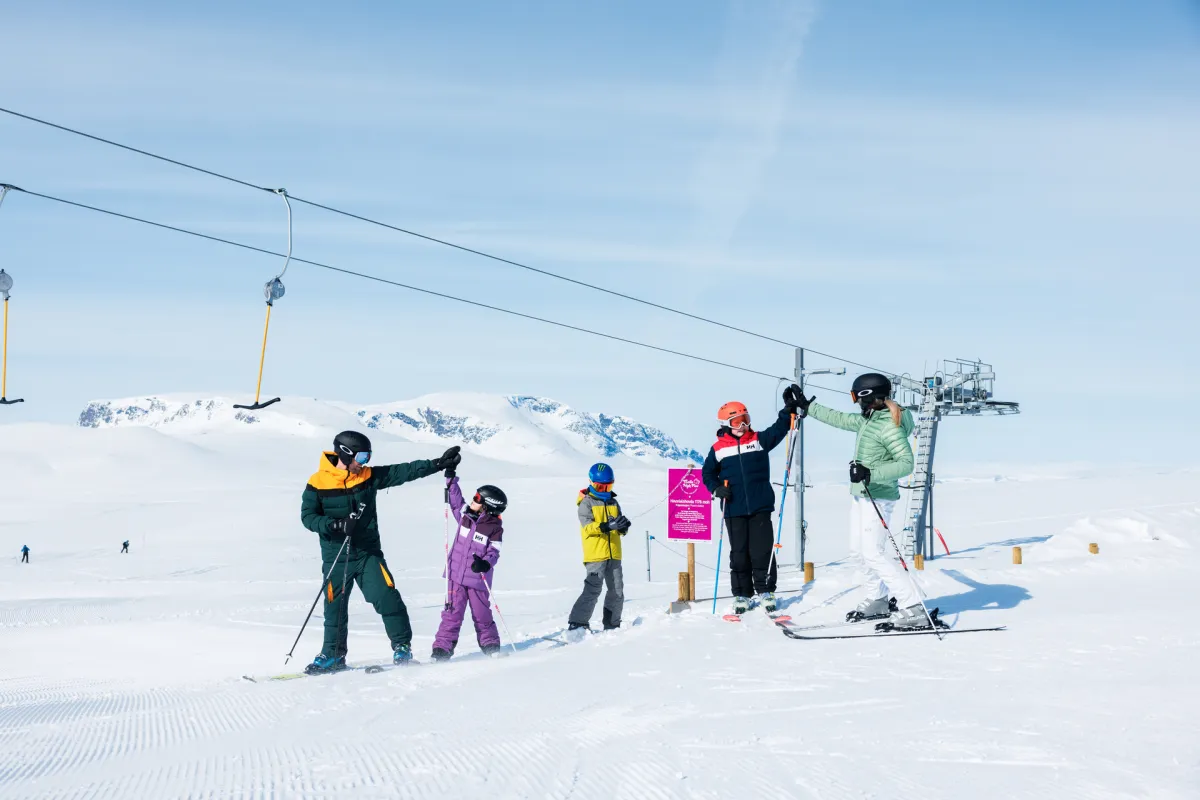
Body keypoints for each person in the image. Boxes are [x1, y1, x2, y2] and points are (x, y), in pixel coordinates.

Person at [300, 430, 462, 674]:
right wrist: (335, 525)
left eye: (368, 457)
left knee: (388, 598)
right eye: (362, 457)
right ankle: (332, 656)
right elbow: (308, 517)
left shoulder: (367, 476)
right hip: (336, 557)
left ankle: (402, 648)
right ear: (345, 453)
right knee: (335, 609)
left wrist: (438, 464)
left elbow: (403, 471)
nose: (365, 462)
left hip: (367, 554)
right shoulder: (318, 482)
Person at [791, 374, 928, 629]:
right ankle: (878, 599)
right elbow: (841, 420)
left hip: (878, 495)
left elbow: (906, 463)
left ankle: (913, 606)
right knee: (859, 552)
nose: (854, 402)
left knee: (874, 553)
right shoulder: (870, 419)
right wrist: (808, 407)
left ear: (868, 397)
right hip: (862, 494)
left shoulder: (889, 425)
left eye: (855, 397)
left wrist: (870, 473)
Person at [702, 387, 801, 614]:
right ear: (727, 424)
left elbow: (779, 429)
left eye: (745, 420)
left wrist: (787, 411)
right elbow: (707, 473)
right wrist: (717, 488)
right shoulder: (718, 449)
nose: (743, 426)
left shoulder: (758, 440)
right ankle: (742, 594)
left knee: (762, 550)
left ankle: (766, 590)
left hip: (760, 506)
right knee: (739, 553)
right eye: (738, 422)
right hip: (733, 507)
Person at [431, 464, 507, 661]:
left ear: (487, 506)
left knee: (482, 615)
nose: (473, 501)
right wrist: (451, 479)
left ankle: (490, 645)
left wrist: (485, 564)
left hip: (477, 580)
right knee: (451, 614)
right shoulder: (465, 517)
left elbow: (494, 552)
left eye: (477, 499)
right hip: (455, 577)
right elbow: (456, 502)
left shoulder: (494, 528)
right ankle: (442, 649)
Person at [567, 463, 630, 634]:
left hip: (614, 553)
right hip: (595, 554)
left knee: (617, 590)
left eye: (607, 486)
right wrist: (606, 526)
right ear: (591, 483)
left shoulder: (613, 502)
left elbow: (617, 527)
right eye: (599, 486)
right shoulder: (586, 503)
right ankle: (577, 622)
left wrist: (622, 527)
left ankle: (612, 625)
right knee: (593, 589)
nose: (603, 489)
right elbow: (588, 527)